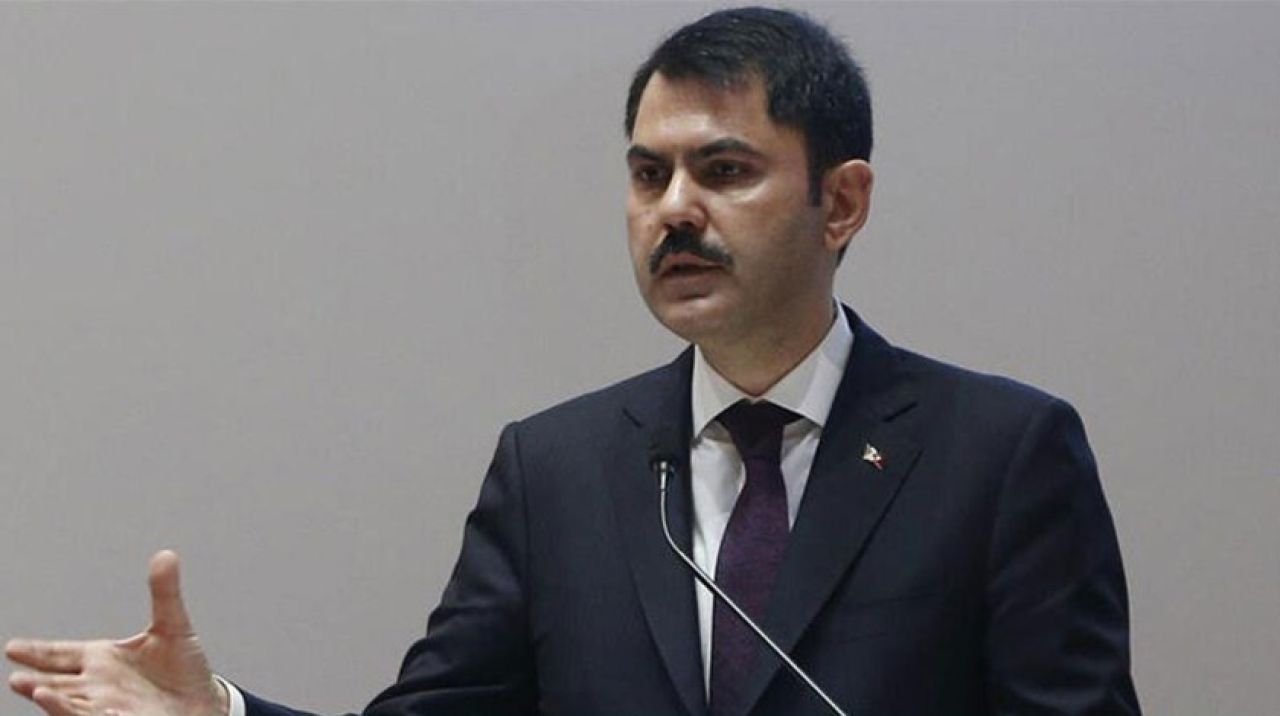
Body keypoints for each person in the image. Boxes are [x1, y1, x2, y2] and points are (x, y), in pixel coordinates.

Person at [6, 7, 1140, 716]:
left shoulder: (999, 454)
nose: (674, 210)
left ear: (839, 201)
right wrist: (220, 715)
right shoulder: (558, 470)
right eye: (648, 176)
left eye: (724, 171)